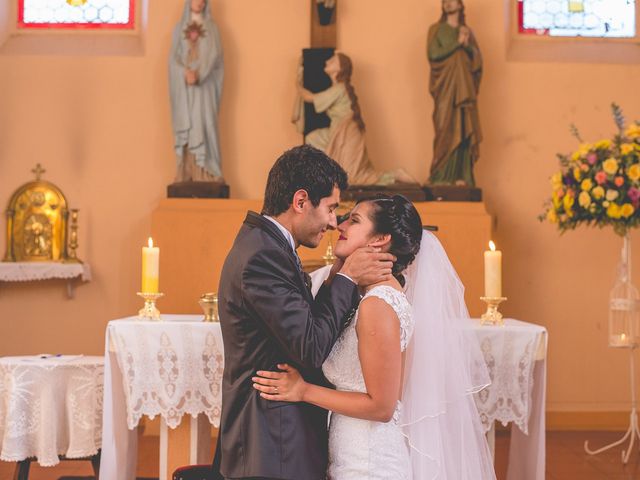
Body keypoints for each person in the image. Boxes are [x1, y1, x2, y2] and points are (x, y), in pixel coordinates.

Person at [253, 195, 497, 479]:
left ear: (379, 239)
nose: (340, 224)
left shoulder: (377, 304)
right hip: (353, 452)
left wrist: (303, 390)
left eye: (354, 220)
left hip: (369, 462)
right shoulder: (366, 296)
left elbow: (382, 406)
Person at [215, 145, 396, 480]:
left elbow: (305, 323)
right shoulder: (263, 256)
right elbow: (310, 347)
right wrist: (346, 277)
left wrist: (337, 277)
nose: (332, 222)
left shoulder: (269, 246)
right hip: (272, 444)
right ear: (300, 202)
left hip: (280, 440)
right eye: (330, 208)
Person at [297, 53, 416, 186]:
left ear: (340, 68)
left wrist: (297, 84)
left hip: (348, 134)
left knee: (353, 178)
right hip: (336, 132)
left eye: (333, 60)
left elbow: (309, 98)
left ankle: (395, 175)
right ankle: (322, 177)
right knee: (312, 139)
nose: (328, 61)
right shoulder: (337, 88)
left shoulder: (340, 88)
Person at [427, 0, 482, 187]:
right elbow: (433, 53)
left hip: (464, 88)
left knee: (464, 126)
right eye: (445, 2)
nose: (448, 4)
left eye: (452, 1)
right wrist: (457, 44)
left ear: (460, 5)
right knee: (444, 127)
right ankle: (441, 175)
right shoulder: (436, 29)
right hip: (445, 88)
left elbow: (477, 62)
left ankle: (463, 175)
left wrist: (466, 45)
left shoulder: (467, 31)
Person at [169, 0, 224, 182]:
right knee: (189, 124)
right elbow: (173, 59)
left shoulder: (212, 28)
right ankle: (187, 173)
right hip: (185, 89)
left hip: (204, 87)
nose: (199, 2)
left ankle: (208, 173)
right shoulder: (179, 28)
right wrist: (184, 72)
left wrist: (200, 74)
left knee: (205, 124)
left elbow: (215, 55)